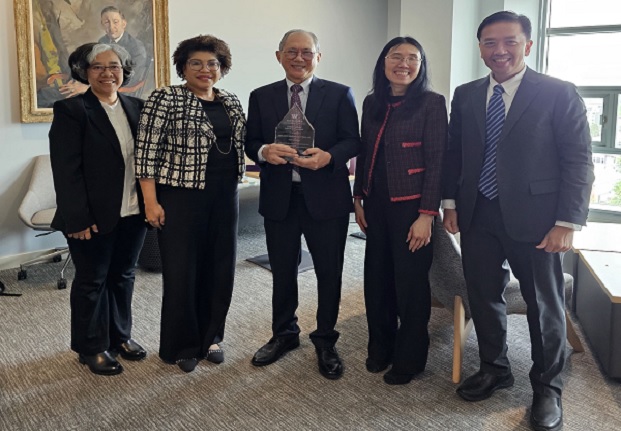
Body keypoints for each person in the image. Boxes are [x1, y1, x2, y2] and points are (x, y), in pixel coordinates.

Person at [442, 11, 594, 431]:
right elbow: (455, 153)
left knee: (544, 303)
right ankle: (495, 367)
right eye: (490, 43)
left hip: (539, 219)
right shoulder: (468, 93)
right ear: (480, 48)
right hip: (478, 213)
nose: (500, 50)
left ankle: (548, 387)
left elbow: (578, 160)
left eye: (509, 41)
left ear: (527, 45)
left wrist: (567, 221)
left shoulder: (557, 93)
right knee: (484, 294)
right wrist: (451, 202)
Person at [245, 29, 360, 380]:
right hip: (281, 198)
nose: (299, 58)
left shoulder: (340, 94)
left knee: (329, 271)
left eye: (307, 52)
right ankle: (284, 333)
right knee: (282, 270)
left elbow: (352, 140)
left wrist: (329, 158)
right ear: (279, 56)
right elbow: (251, 142)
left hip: (326, 199)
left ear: (318, 57)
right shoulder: (261, 96)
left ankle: (325, 338)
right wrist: (264, 151)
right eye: (291, 52)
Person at [135, 35, 246, 373]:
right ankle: (181, 344)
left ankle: (211, 336)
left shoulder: (230, 100)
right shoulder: (165, 97)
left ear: (221, 68)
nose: (204, 69)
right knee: (183, 271)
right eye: (196, 63)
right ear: (182, 66)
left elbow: (242, 143)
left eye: (212, 63)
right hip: (180, 196)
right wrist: (150, 202)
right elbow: (146, 154)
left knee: (220, 267)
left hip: (224, 195)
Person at [49, 42, 148, 376]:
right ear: (85, 72)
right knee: (92, 281)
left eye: (115, 66)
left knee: (123, 276)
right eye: (99, 67)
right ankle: (91, 347)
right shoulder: (72, 111)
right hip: (90, 217)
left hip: (133, 210)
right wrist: (77, 217)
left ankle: (120, 336)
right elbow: (66, 170)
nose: (108, 73)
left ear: (124, 71)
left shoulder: (138, 107)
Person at [353, 37, 447, 385]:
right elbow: (364, 153)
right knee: (376, 279)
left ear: (421, 66)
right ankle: (380, 348)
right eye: (396, 56)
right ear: (384, 61)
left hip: (412, 208)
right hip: (375, 204)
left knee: (410, 286)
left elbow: (438, 161)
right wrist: (358, 198)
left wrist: (427, 214)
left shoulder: (432, 103)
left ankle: (409, 359)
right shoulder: (372, 102)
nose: (403, 63)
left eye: (413, 58)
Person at [98, 6, 149, 90]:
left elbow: (133, 77)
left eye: (115, 22)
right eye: (106, 22)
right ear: (102, 25)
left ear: (124, 24)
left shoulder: (136, 46)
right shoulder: (102, 41)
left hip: (124, 90)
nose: (111, 27)